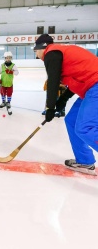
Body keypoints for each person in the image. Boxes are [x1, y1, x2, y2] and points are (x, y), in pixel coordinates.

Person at [34, 34, 98, 175]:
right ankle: (85, 161)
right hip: (89, 88)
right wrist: (63, 99)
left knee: (85, 128)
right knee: (72, 121)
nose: (37, 56)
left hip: (95, 86)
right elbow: (77, 77)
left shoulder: (51, 53)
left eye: (36, 51)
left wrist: (50, 107)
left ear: (41, 48)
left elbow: (53, 81)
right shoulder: (60, 53)